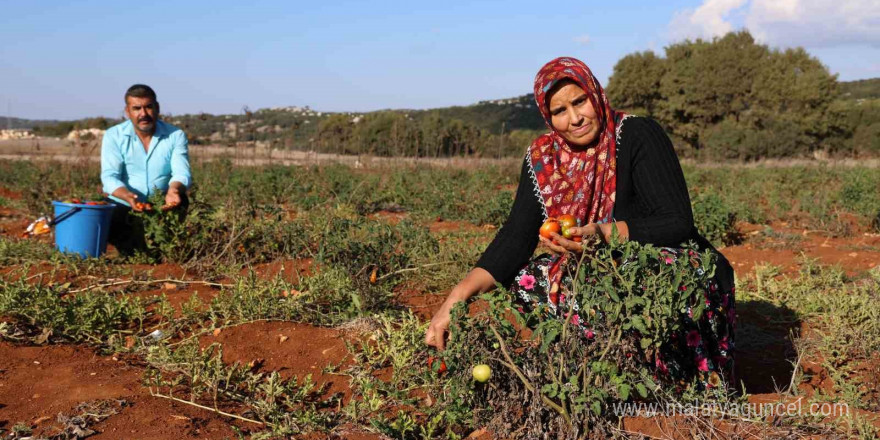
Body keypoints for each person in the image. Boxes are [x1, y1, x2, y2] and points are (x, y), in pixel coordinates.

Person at [424, 57, 735, 387]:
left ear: (595, 93)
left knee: (654, 274)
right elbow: (515, 238)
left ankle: (680, 376)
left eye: (579, 101)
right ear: (549, 117)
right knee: (528, 279)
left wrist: (604, 233)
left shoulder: (637, 134)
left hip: (666, 261)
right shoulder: (544, 157)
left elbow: (677, 223)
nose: (574, 119)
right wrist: (453, 301)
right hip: (605, 273)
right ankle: (604, 366)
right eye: (560, 111)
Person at [101, 84, 192, 255]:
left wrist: (173, 190)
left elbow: (181, 172)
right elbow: (109, 177)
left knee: (181, 200)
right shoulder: (114, 135)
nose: (143, 114)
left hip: (163, 205)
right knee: (135, 253)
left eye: (148, 107)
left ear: (157, 108)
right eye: (137, 108)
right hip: (126, 206)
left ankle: (167, 246)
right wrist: (128, 196)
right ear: (127, 111)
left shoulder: (175, 135)